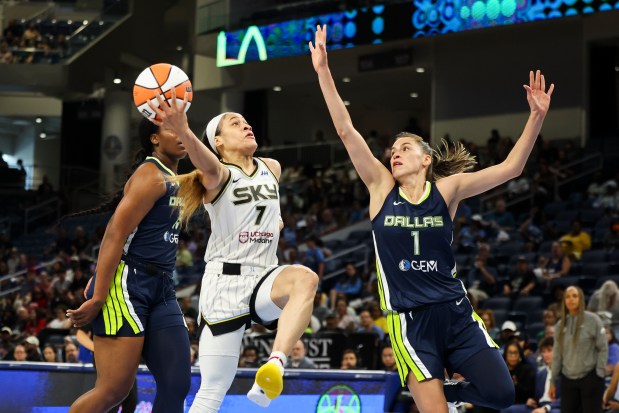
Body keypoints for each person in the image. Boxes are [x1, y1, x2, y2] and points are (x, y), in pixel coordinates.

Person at [310, 24, 554, 413]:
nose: (395, 153)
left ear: (426, 160)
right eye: (392, 149)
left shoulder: (447, 190)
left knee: (502, 394)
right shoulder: (379, 189)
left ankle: (446, 394)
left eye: (404, 147)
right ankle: (433, 398)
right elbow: (345, 129)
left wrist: (536, 117)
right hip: (410, 322)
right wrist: (323, 70)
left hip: (455, 311)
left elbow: (511, 168)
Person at [147, 91, 319, 411]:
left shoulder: (273, 167)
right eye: (234, 123)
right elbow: (204, 161)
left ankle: (275, 366)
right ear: (218, 143)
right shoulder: (217, 175)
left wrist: (275, 224)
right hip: (225, 284)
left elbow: (269, 212)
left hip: (264, 278)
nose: (246, 125)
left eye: (245, 121)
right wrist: (183, 130)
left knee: (305, 279)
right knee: (213, 388)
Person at [65, 118, 191, 413]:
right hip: (126, 285)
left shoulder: (177, 177)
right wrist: (98, 296)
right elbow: (114, 235)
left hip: (161, 285)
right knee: (113, 390)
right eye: (172, 129)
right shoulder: (151, 175)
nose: (183, 134)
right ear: (154, 139)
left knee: (176, 383)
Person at [550, 286, 607, 413]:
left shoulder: (593, 320)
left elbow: (603, 348)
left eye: (574, 296)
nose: (571, 299)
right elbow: (557, 355)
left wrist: (600, 372)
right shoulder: (560, 325)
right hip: (568, 379)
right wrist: (553, 381)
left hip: (590, 377)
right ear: (564, 300)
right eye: (568, 296)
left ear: (581, 299)